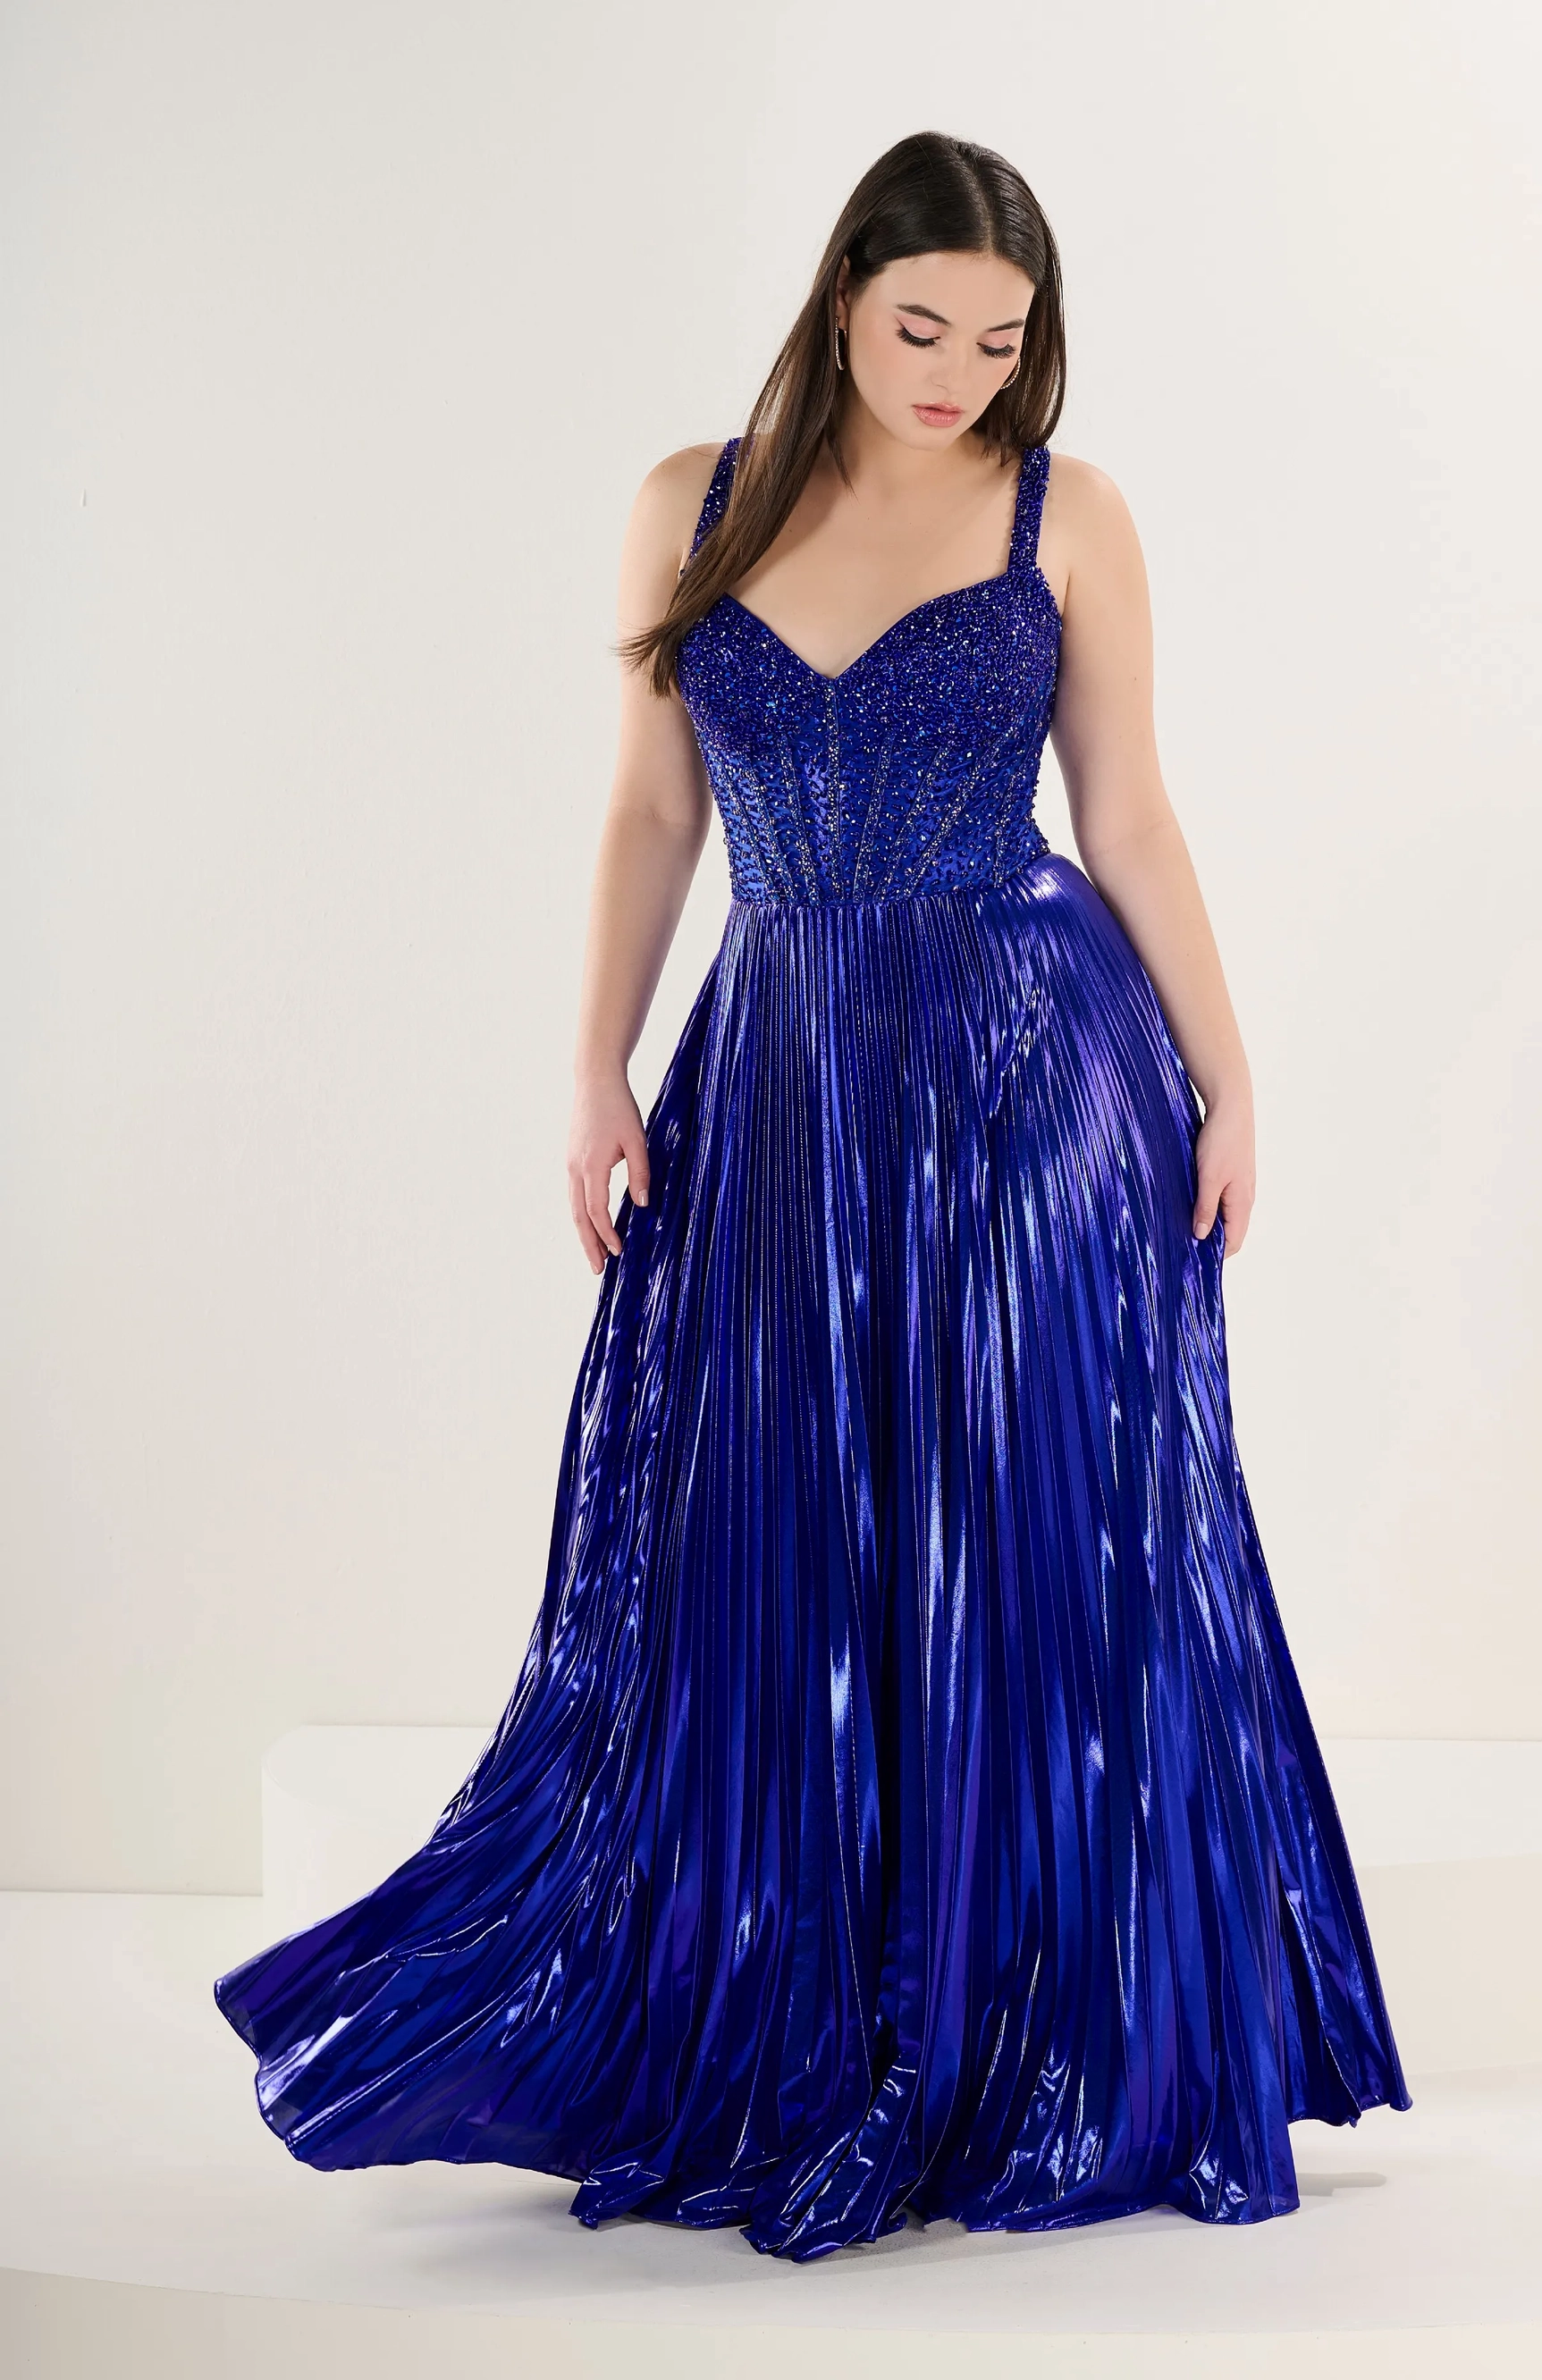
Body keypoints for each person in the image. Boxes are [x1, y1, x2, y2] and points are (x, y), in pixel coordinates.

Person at [216, 130, 1411, 2263]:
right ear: (842, 292)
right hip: (779, 1074)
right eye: (920, 323)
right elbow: (648, 808)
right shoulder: (687, 502)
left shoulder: (1069, 515)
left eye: (1002, 341)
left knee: (1027, 1537)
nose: (956, 373)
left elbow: (1131, 817)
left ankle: (1039, 2032)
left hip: (1032, 1065)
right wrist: (590, 1060)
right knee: (776, 1527)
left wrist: (1229, 1075)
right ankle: (809, 2001)